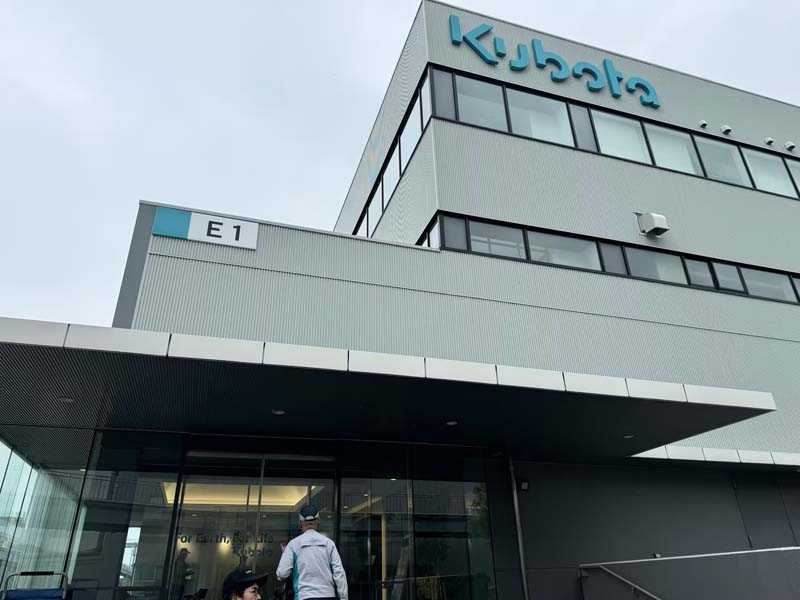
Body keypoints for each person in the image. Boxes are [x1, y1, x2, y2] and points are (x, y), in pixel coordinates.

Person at [276, 504, 348, 600]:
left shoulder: (293, 544)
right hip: (328, 596)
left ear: (300, 522)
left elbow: (282, 573)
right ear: (318, 521)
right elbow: (339, 574)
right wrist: (343, 598)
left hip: (304, 596)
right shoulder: (329, 543)